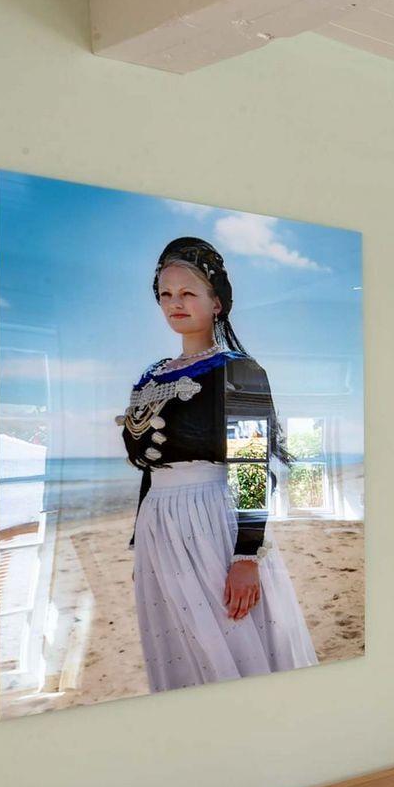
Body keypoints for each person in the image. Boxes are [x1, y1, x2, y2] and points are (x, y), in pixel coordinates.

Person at [117, 237, 318, 690]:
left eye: (188, 293)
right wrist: (140, 540)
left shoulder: (238, 370)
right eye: (166, 294)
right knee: (181, 648)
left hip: (211, 518)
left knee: (229, 641)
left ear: (217, 303)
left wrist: (246, 556)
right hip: (159, 525)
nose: (175, 303)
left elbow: (251, 466)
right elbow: (150, 470)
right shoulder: (150, 378)